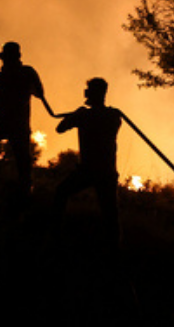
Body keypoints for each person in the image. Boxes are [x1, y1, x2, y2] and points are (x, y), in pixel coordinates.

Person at [0, 41, 55, 198]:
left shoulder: (24, 73)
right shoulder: (12, 74)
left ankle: (22, 191)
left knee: (22, 159)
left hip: (13, 123)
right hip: (9, 123)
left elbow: (39, 92)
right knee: (20, 159)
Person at [53, 77, 123, 241]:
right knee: (110, 214)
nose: (85, 93)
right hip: (106, 172)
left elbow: (59, 128)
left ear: (94, 93)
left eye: (88, 90)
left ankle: (55, 234)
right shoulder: (113, 116)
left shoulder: (84, 115)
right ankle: (115, 250)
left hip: (89, 171)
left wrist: (76, 115)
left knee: (60, 193)